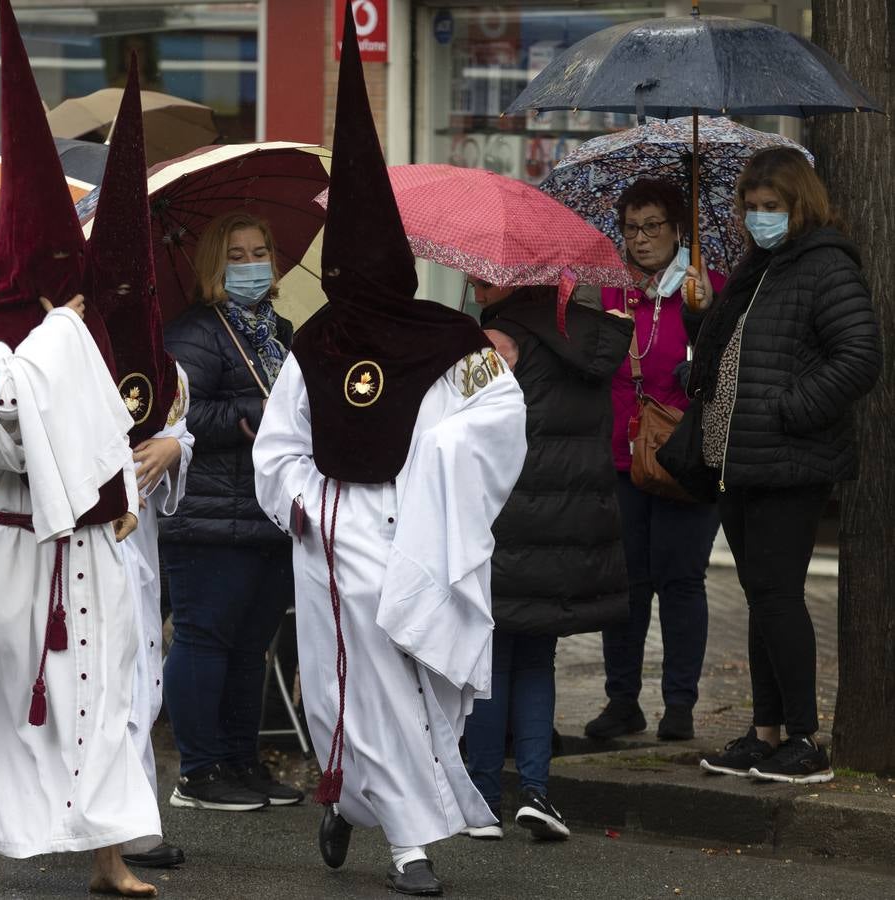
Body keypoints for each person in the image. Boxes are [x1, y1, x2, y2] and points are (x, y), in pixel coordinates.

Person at [253, 5, 525, 894]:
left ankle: (350, 799)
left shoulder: (448, 338)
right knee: (353, 683)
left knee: (415, 679)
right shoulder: (314, 342)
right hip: (332, 533)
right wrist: (302, 508)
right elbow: (280, 445)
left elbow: (498, 415)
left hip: (417, 525)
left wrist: (432, 474)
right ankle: (405, 836)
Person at [0, 3, 157, 894]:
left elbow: (114, 420)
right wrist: (56, 341)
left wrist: (130, 472)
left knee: (102, 699)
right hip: (13, 544)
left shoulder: (79, 320)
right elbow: (4, 438)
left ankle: (108, 849)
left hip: (87, 546)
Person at [684, 148, 880, 784]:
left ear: (801, 206)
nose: (759, 217)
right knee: (761, 598)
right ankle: (764, 733)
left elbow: (858, 356)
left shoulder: (824, 266)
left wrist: (788, 409)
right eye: (751, 207)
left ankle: (805, 740)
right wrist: (699, 317)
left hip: (787, 460)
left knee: (777, 598)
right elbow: (737, 350)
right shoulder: (757, 268)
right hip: (737, 460)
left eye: (772, 207)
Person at [462, 281, 632, 842]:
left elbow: (461, 426)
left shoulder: (495, 343)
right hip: (570, 525)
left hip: (505, 517)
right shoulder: (589, 336)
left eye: (484, 276)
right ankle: (537, 792)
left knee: (491, 661)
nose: (472, 281)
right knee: (537, 659)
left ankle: (484, 799)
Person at [83, 59, 195, 872]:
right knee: (96, 677)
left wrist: (173, 445)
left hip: (140, 543)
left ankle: (135, 818)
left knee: (141, 676)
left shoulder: (162, 361)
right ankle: (104, 824)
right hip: (82, 537)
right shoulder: (62, 346)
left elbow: (177, 422)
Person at [159, 210, 301, 812]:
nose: (251, 265)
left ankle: (243, 759)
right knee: (205, 638)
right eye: (237, 255)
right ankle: (199, 769)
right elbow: (178, 415)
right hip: (209, 516)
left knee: (252, 647)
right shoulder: (195, 331)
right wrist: (251, 415)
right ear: (216, 266)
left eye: (260, 250)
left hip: (267, 511)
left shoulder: (280, 331)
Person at [588, 178, 725, 742]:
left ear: (678, 231)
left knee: (681, 580)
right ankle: (623, 701)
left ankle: (680, 703)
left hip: (686, 460)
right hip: (621, 458)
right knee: (626, 585)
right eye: (631, 228)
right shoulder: (611, 291)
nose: (640, 240)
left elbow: (725, 366)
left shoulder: (705, 287)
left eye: (653, 227)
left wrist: (702, 323)